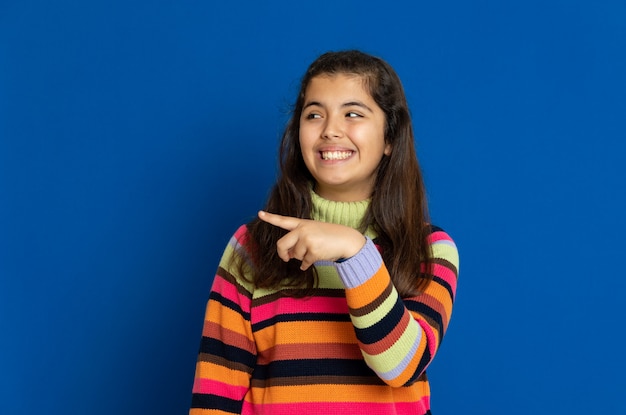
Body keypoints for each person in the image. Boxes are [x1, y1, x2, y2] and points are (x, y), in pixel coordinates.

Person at [189, 50, 459, 415]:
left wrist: (355, 252)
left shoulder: (430, 250)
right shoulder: (251, 245)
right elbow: (216, 391)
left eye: (353, 114)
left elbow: (402, 366)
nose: (330, 129)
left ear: (390, 138)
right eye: (314, 114)